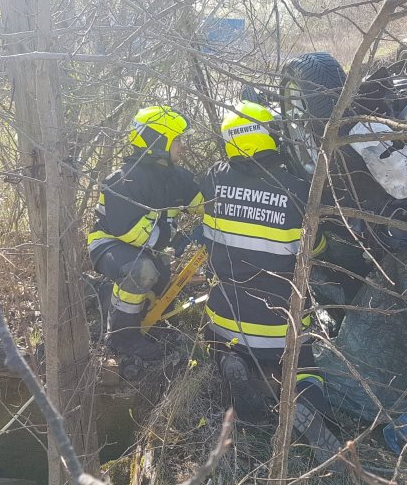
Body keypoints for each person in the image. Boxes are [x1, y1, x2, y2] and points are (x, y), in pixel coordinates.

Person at [198, 101, 341, 465]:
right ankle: (307, 403)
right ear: (268, 136)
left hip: (224, 316)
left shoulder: (213, 179)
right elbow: (316, 250)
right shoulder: (296, 189)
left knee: (225, 344)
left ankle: (233, 363)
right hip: (278, 323)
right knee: (303, 366)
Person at [88, 106, 201, 361]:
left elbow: (203, 202)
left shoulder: (175, 176)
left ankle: (112, 301)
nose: (182, 146)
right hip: (109, 244)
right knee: (141, 271)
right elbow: (130, 232)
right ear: (158, 141)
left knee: (161, 281)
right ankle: (121, 339)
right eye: (178, 140)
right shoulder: (124, 179)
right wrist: (177, 239)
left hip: (146, 247)